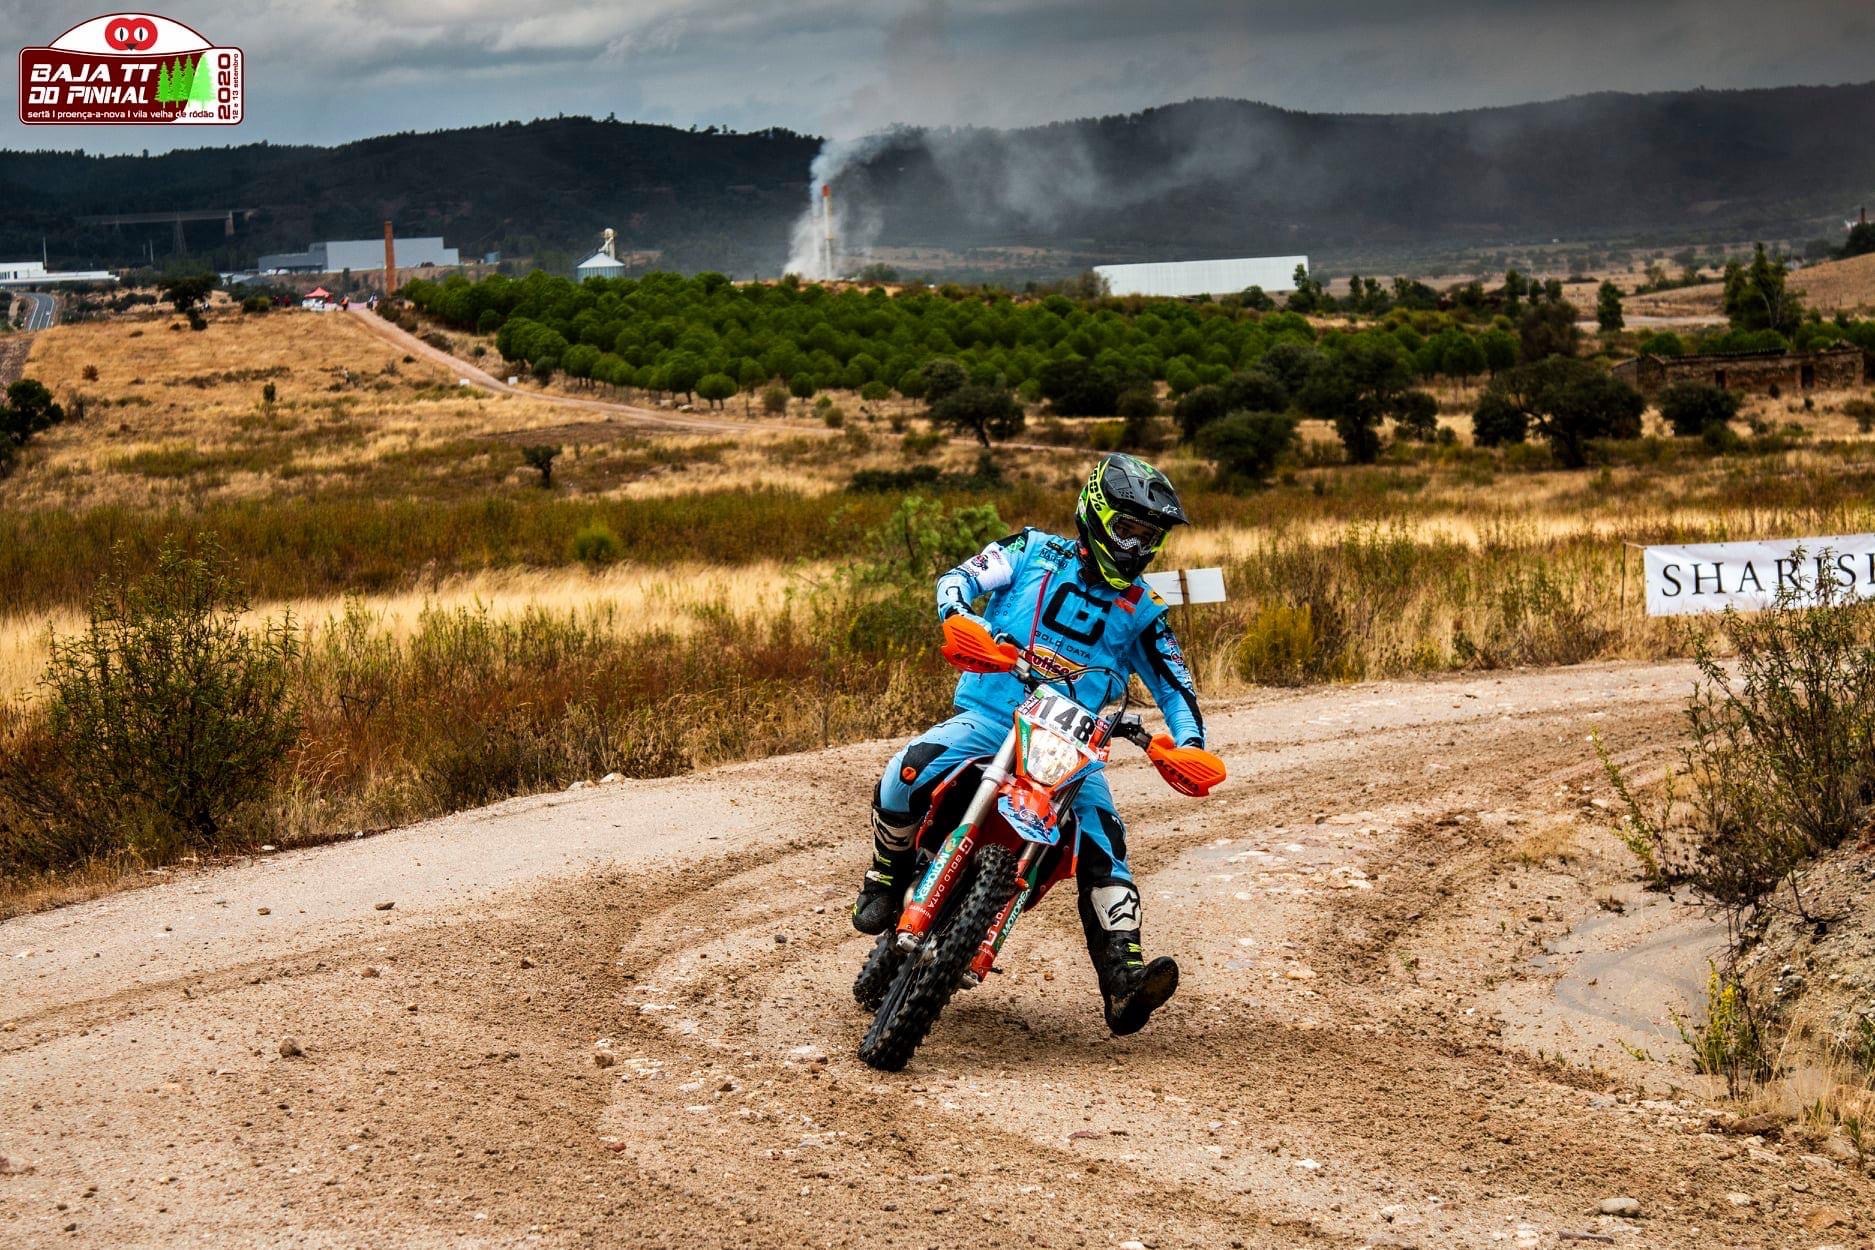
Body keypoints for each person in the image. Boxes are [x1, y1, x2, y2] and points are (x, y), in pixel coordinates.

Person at [853, 453, 1214, 1036]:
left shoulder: (1144, 610)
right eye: (1128, 528)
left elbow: (1178, 686)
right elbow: (960, 578)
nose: (1138, 545)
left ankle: (1124, 981)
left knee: (1106, 844)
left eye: (1149, 536)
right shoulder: (1029, 550)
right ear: (1096, 515)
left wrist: (1188, 744)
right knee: (908, 771)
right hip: (992, 717)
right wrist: (956, 615)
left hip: (1073, 743)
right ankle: (886, 877)